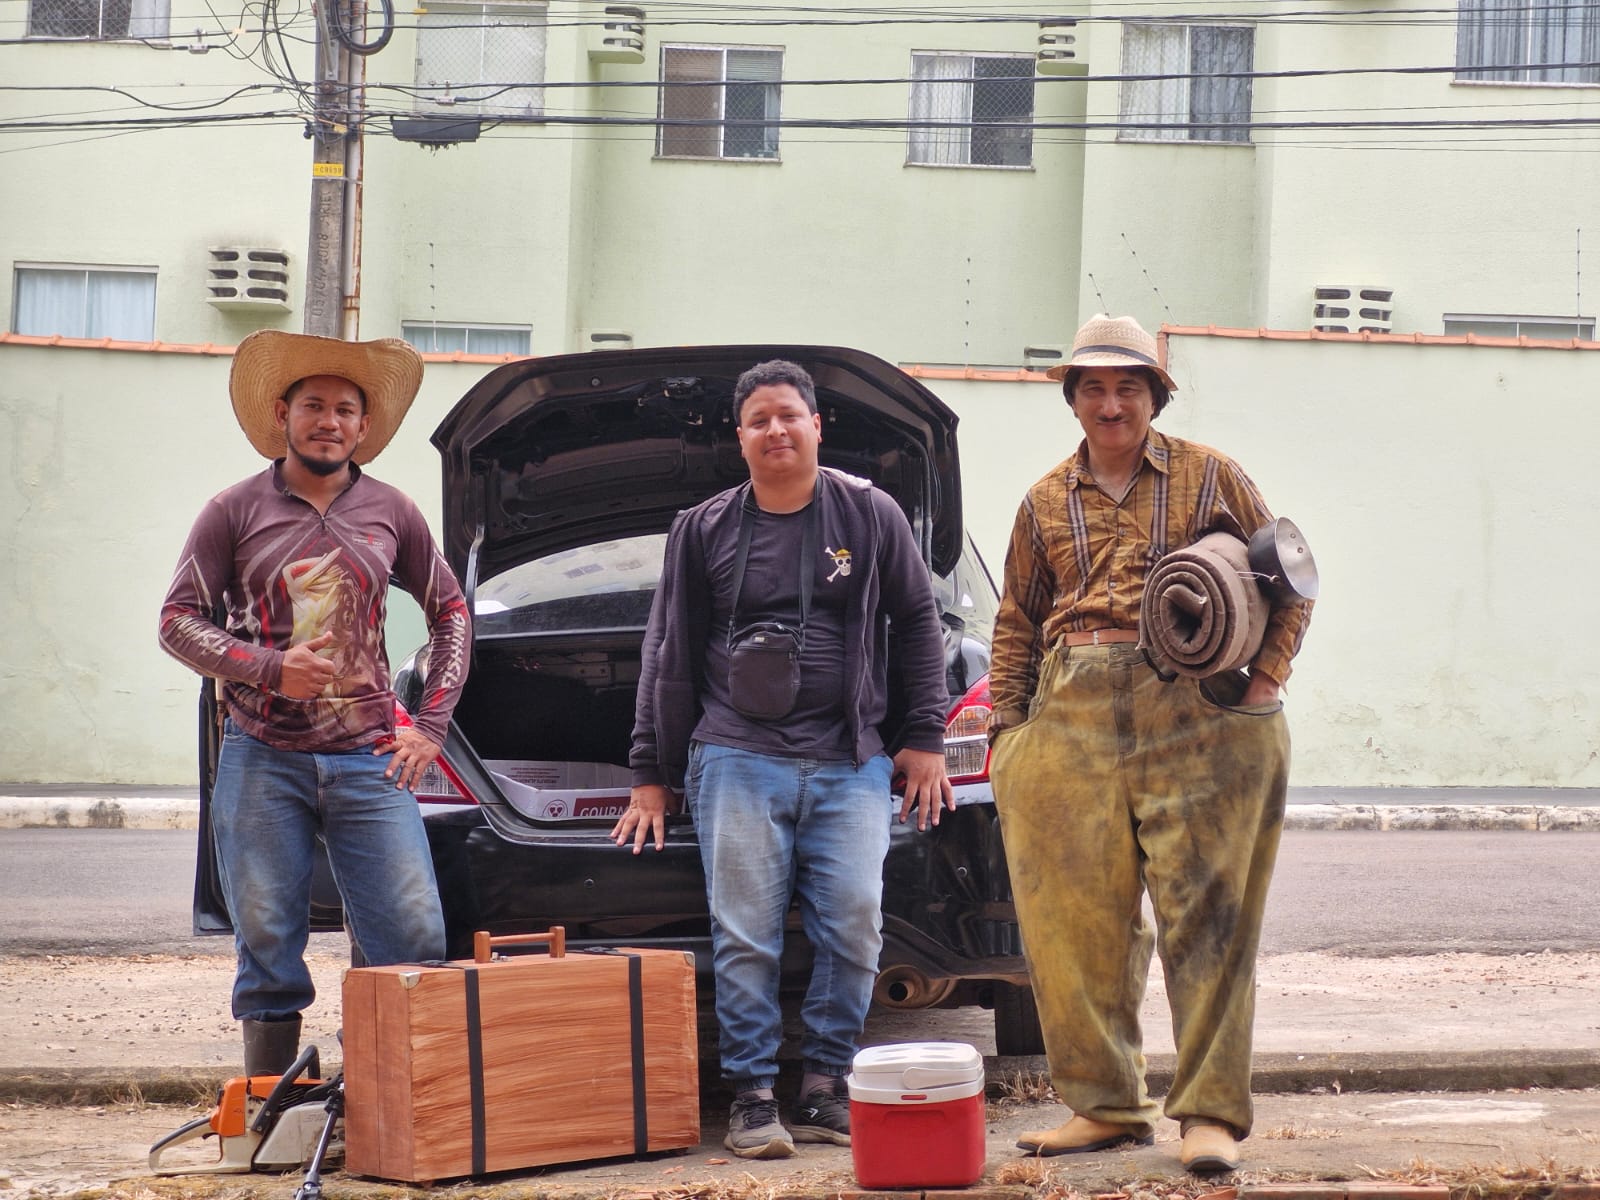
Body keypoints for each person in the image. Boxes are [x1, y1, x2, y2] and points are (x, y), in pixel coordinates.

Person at [988, 315, 1312, 1174]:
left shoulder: (1211, 476)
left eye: (1127, 386)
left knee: (1207, 915)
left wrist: (1264, 686)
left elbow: (1293, 581)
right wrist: (1008, 735)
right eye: (1092, 387)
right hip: (1070, 715)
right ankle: (1103, 1105)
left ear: (1154, 396)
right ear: (1072, 401)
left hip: (1199, 712)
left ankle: (1209, 1115)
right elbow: (1017, 618)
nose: (1110, 402)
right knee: (1071, 925)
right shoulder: (1043, 500)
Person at [612, 359, 954, 1159]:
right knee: (746, 934)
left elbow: (918, 623)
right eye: (759, 419)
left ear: (816, 426)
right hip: (736, 755)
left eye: (789, 416)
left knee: (855, 927)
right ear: (741, 437)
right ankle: (754, 1096)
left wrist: (926, 738)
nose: (776, 430)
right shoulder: (702, 528)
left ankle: (827, 1084)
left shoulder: (870, 515)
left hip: (851, 757)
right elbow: (664, 649)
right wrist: (649, 775)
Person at [158, 330, 471, 1076]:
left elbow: (451, 612)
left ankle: (395, 1102)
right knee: (266, 939)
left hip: (371, 758)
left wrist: (430, 728)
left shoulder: (393, 511)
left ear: (364, 428)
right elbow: (175, 622)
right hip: (262, 755)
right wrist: (266, 668)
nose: (328, 420)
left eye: (344, 409)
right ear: (282, 415)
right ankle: (272, 1104)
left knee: (413, 932)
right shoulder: (231, 511)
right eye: (313, 406)